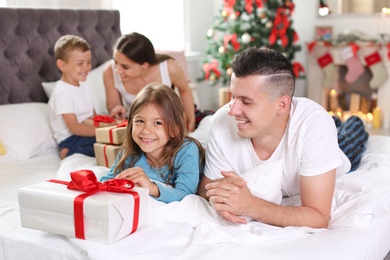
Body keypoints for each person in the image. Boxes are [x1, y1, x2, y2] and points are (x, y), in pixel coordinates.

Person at [198, 47, 367, 229]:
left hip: (329, 143)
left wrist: (252, 206)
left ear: (282, 104)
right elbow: (206, 190)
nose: (232, 110)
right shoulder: (221, 123)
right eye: (232, 97)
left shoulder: (314, 126)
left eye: (246, 101)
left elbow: (318, 217)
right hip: (297, 126)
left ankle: (354, 121)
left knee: (350, 134)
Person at [100, 82, 205, 203]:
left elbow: (185, 194)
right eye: (139, 121)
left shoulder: (187, 150)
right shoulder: (130, 154)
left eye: (157, 123)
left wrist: (151, 188)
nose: (146, 131)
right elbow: (106, 182)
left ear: (174, 129)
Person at [103, 32, 196, 132]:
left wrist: (191, 120)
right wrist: (117, 110)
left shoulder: (169, 67)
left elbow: (185, 90)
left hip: (169, 119)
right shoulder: (109, 71)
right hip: (139, 124)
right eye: (116, 62)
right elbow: (113, 104)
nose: (118, 70)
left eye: (125, 67)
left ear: (145, 65)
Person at [48, 35, 97, 159]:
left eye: (89, 62)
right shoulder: (62, 92)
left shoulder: (85, 87)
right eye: (80, 63)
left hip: (88, 133)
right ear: (62, 65)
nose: (86, 67)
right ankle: (67, 153)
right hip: (71, 138)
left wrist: (111, 125)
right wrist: (104, 133)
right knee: (99, 146)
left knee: (117, 142)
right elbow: (74, 128)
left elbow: (95, 117)